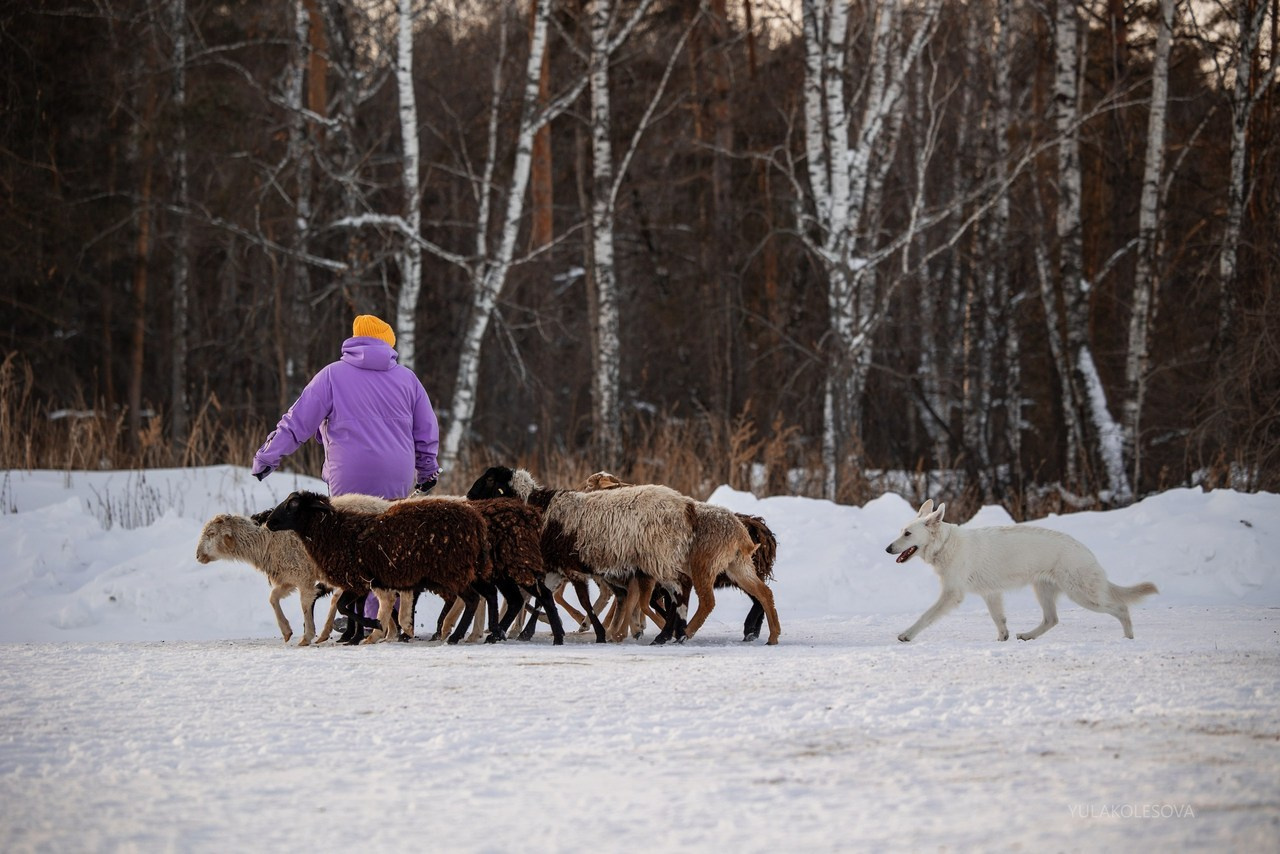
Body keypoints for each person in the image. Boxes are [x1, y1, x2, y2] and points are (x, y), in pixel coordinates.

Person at [252, 314, 440, 640]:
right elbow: (426, 430)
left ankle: (364, 621)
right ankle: (390, 618)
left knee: (352, 545)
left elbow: (297, 421)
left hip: (349, 471)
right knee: (389, 541)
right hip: (396, 472)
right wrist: (427, 470)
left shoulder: (331, 376)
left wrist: (268, 456)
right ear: (387, 342)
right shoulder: (407, 379)